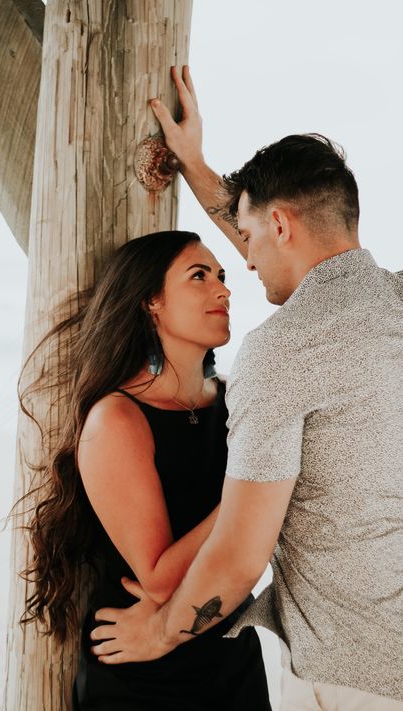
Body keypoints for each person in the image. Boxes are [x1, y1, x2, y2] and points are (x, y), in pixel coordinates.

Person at [91, 67, 403, 711]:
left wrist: (157, 632)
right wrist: (196, 166)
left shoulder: (283, 351)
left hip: (348, 673)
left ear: (281, 225)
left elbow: (237, 558)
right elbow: (300, 259)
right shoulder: (394, 302)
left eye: (252, 237)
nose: (245, 265)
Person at [19, 230, 271, 710]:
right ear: (151, 301)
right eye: (199, 276)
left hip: (232, 654)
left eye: (221, 275)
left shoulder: (236, 400)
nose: (223, 288)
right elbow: (158, 577)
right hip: (143, 672)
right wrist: (253, 497)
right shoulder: (118, 418)